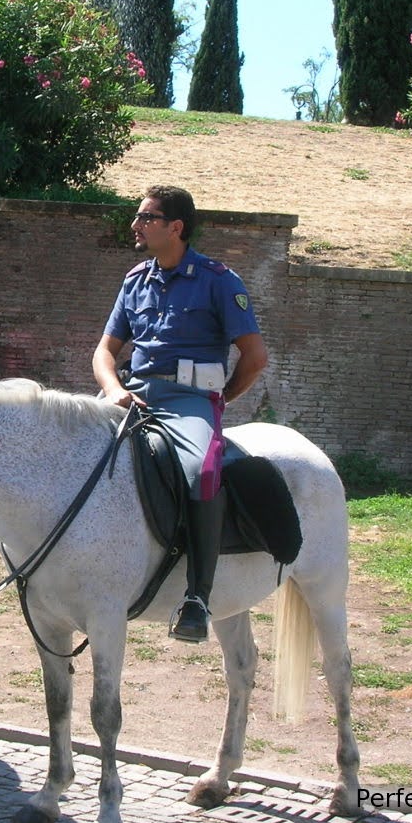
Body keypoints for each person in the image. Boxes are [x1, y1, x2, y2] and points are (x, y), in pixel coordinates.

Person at [92, 185, 268, 643]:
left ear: (176, 227)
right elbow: (104, 352)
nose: (135, 225)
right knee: (59, 442)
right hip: (129, 394)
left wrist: (221, 398)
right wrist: (112, 389)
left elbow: (254, 356)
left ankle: (197, 599)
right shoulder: (135, 280)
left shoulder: (218, 280)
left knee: (200, 470)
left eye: (146, 217)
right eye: (137, 216)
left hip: (191, 401)